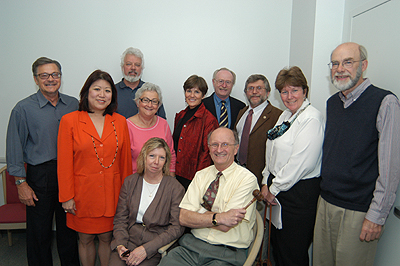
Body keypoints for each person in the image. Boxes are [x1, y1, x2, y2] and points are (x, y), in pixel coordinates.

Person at [313, 42, 400, 266]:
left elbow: (390, 168)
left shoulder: (385, 102)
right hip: (326, 203)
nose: (339, 68)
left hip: (358, 211)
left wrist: (376, 216)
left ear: (364, 65)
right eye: (335, 63)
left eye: (347, 62)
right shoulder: (333, 103)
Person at [5, 57, 80, 266]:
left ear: (60, 78)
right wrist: (21, 184)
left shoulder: (73, 104)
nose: (50, 79)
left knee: (69, 230)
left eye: (55, 74)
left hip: (69, 175)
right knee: (39, 233)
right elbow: (14, 148)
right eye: (44, 75)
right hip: (40, 175)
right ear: (36, 79)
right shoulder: (23, 109)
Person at [57, 70, 132, 266]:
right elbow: (64, 163)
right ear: (86, 92)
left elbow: (125, 162)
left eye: (107, 90)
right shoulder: (70, 120)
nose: (102, 94)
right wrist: (66, 196)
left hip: (113, 194)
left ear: (112, 96)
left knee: (108, 239)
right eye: (96, 89)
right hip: (83, 195)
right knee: (85, 239)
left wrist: (127, 197)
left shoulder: (120, 121)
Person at [158, 127, 259, 266]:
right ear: (209, 148)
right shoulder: (201, 175)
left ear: (236, 149)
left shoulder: (247, 180)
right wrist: (219, 217)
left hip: (226, 253)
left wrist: (198, 213)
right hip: (190, 248)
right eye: (214, 145)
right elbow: (183, 217)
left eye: (225, 144)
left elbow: (226, 225)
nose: (219, 149)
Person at [260, 66, 325, 266]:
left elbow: (300, 164)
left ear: (304, 91)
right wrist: (265, 180)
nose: (289, 96)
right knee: (278, 249)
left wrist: (273, 188)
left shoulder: (311, 118)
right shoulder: (286, 116)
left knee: (292, 254)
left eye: (294, 90)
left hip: (297, 195)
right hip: (277, 188)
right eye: (284, 92)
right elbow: (271, 151)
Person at [109, 137, 185, 266]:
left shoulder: (175, 188)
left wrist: (146, 249)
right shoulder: (130, 182)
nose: (156, 162)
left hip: (156, 245)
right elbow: (120, 219)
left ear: (166, 161)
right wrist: (120, 244)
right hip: (129, 240)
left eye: (161, 158)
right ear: (144, 157)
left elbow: (177, 228)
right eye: (152, 156)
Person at [172, 75, 219, 189]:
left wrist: (199, 180)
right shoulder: (180, 115)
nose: (192, 95)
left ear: (203, 95)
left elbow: (207, 153)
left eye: (197, 92)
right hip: (177, 174)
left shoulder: (209, 120)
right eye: (189, 91)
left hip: (194, 178)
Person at [235, 74, 282, 186]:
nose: (254, 92)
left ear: (268, 92)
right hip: (238, 172)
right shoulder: (242, 112)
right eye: (250, 88)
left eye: (259, 88)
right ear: (246, 92)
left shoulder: (277, 116)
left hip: (260, 176)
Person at [126, 82, 176, 174]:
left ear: (158, 105)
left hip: (160, 180)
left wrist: (171, 179)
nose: (149, 105)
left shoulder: (163, 124)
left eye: (154, 101)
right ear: (137, 102)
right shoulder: (127, 126)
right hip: (135, 180)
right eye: (145, 100)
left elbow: (171, 154)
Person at [115, 47, 166, 119]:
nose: (133, 68)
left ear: (141, 68)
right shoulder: (112, 91)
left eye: (137, 65)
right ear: (122, 67)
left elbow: (161, 120)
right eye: (129, 64)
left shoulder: (151, 91)